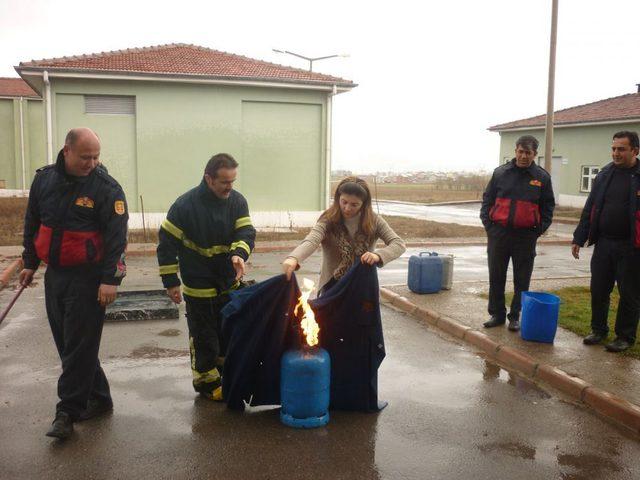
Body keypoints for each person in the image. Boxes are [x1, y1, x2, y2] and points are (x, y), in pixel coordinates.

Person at [19, 127, 128, 440]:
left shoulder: (107, 188)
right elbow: (33, 222)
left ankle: (67, 411)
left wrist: (111, 280)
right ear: (66, 151)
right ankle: (100, 398)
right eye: (85, 156)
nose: (91, 163)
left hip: (89, 278)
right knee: (70, 344)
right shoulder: (44, 180)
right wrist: (30, 262)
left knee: (78, 346)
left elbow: (117, 239)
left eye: (96, 157)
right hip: (56, 276)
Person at [157, 153, 256, 401]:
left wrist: (239, 254)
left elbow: (245, 231)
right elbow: (166, 245)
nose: (229, 187)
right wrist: (171, 282)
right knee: (204, 339)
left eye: (233, 181)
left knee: (227, 335)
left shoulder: (237, 202)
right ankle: (206, 383)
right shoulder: (184, 206)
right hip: (198, 287)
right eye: (224, 182)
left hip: (228, 283)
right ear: (208, 178)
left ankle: (223, 376)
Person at [572, 131, 640, 353]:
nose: (616, 153)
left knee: (629, 293)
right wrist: (579, 237)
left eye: (621, 149)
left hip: (632, 247)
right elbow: (590, 207)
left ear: (635, 151)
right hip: (604, 244)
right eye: (613, 148)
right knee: (599, 289)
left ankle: (625, 336)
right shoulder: (604, 174)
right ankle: (598, 330)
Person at [480, 135, 555, 331]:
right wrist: (490, 226)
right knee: (496, 276)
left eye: (528, 153)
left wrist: (537, 230)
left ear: (534, 154)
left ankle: (515, 316)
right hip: (499, 234)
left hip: (525, 237)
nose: (523, 156)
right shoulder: (500, 173)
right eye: (520, 151)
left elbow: (548, 207)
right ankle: (497, 314)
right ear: (515, 151)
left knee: (522, 278)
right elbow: (487, 201)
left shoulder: (542, 178)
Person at [282, 176, 406, 293]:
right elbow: (312, 240)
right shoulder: (328, 219)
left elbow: (398, 244)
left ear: (364, 204)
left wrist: (377, 256)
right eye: (344, 202)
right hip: (331, 287)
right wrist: (294, 258)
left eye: (354, 204)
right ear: (338, 198)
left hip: (362, 288)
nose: (347, 208)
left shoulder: (374, 220)